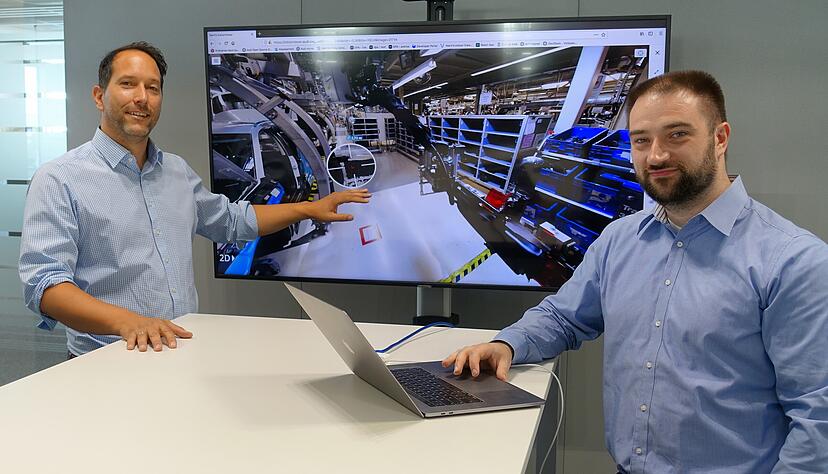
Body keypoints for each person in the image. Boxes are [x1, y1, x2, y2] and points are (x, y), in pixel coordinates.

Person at [443, 70, 828, 473]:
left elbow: (818, 420)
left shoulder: (791, 262)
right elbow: (563, 316)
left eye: (677, 135)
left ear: (720, 138)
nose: (656, 156)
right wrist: (506, 345)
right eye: (641, 140)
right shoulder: (620, 240)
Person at [18, 42, 370, 357]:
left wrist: (309, 208)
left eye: (152, 88)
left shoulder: (175, 172)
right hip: (105, 362)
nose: (142, 97)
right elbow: (45, 286)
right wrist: (129, 322)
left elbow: (232, 221)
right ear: (99, 96)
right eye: (128, 84)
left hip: (179, 351)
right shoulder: (59, 178)